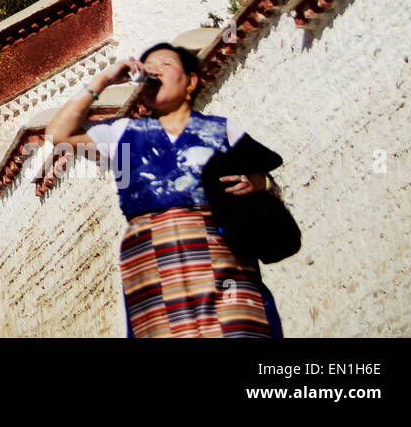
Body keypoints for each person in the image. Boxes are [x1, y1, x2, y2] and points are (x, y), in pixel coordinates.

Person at [47, 42, 284, 338]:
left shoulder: (220, 129)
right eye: (148, 66)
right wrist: (103, 80)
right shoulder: (121, 134)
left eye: (165, 64)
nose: (154, 69)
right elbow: (59, 134)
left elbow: (267, 174)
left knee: (237, 329)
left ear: (191, 81)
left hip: (220, 248)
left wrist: (256, 181)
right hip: (151, 254)